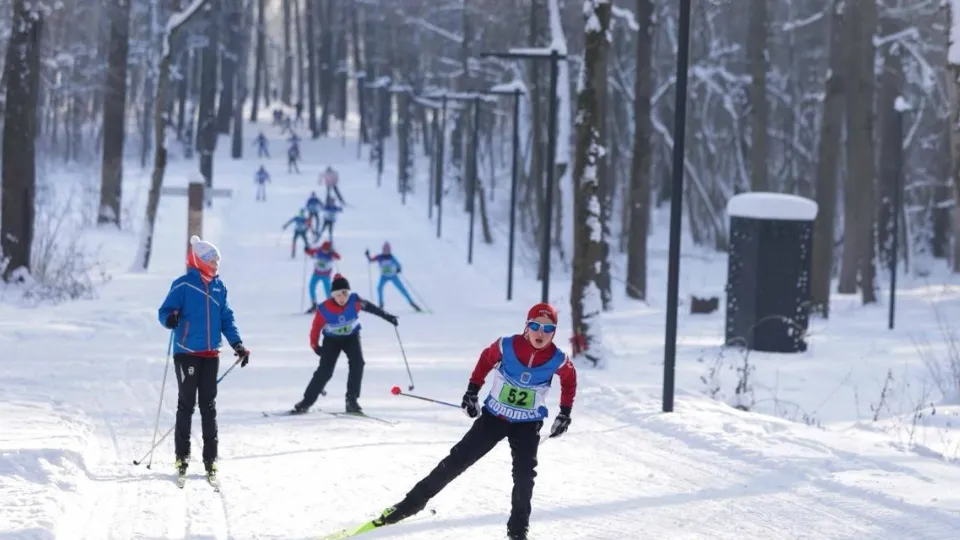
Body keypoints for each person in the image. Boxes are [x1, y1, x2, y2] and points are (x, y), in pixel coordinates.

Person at [366, 303, 575, 540]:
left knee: (525, 476)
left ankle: (518, 530)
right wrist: (471, 392)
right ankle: (410, 504)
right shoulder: (506, 345)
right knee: (457, 460)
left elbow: (569, 380)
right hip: (494, 418)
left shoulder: (557, 358)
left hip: (528, 424)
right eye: (535, 326)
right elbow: (485, 361)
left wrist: (564, 413)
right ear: (526, 327)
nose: (541, 333)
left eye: (548, 328)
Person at [158, 235, 251, 481]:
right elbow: (164, 311)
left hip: (211, 354)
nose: (215, 264)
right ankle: (182, 456)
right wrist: (170, 319)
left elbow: (226, 319)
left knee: (208, 406)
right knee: (186, 404)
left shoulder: (220, 288)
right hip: (187, 352)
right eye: (211, 260)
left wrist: (237, 344)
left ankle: (211, 459)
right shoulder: (183, 285)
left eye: (217, 260)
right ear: (198, 260)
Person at [293, 274, 398, 414]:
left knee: (358, 363)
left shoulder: (355, 301)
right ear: (332, 295)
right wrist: (315, 346)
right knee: (325, 371)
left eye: (345, 294)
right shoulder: (324, 309)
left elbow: (373, 308)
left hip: (351, 338)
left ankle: (351, 400)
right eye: (338, 295)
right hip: (332, 340)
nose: (342, 298)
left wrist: (388, 317)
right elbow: (315, 328)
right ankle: (306, 402)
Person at [365, 242, 421, 312]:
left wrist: (398, 269)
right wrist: (367, 255)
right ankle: (381, 305)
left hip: (393, 276)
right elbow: (371, 260)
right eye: (385, 250)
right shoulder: (379, 257)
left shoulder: (392, 257)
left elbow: (398, 265)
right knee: (379, 288)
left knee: (402, 289)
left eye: (387, 250)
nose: (386, 251)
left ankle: (412, 303)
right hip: (384, 277)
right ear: (383, 250)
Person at [304, 240, 341, 312]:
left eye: (326, 250)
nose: (325, 251)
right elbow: (310, 252)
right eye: (324, 249)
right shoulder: (318, 250)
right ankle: (314, 304)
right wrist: (306, 249)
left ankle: (331, 305)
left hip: (325, 275)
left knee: (327, 290)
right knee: (311, 287)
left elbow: (338, 257)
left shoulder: (331, 253)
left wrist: (333, 253)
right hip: (316, 273)